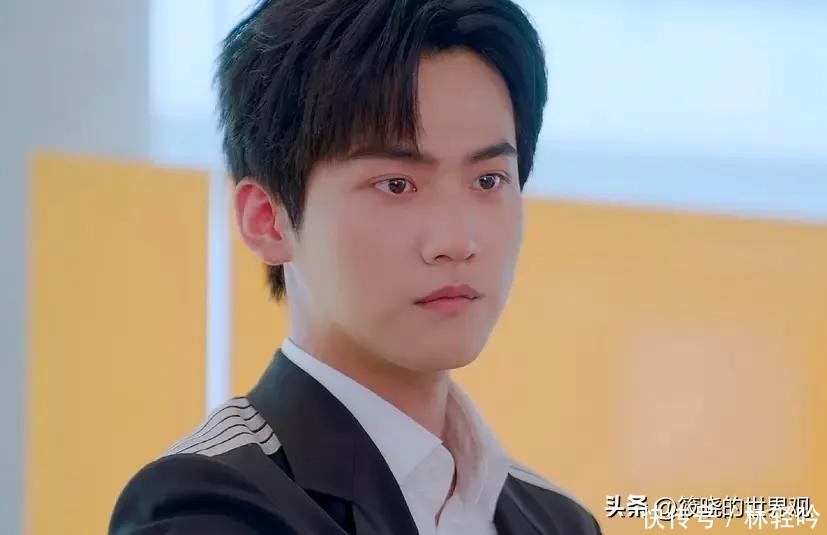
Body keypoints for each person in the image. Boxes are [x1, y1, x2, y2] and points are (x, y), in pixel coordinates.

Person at [110, 0, 601, 533]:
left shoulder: (558, 519)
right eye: (396, 185)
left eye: (488, 181)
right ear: (268, 220)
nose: (457, 242)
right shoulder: (206, 504)